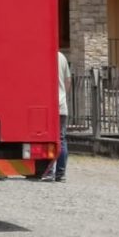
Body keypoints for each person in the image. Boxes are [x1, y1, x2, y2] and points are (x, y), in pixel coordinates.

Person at [44, 49, 70, 181]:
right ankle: (61, 173)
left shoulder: (43, 55)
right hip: (61, 105)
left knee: (48, 139)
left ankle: (48, 171)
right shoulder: (62, 57)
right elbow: (68, 81)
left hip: (47, 106)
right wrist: (63, 95)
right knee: (61, 139)